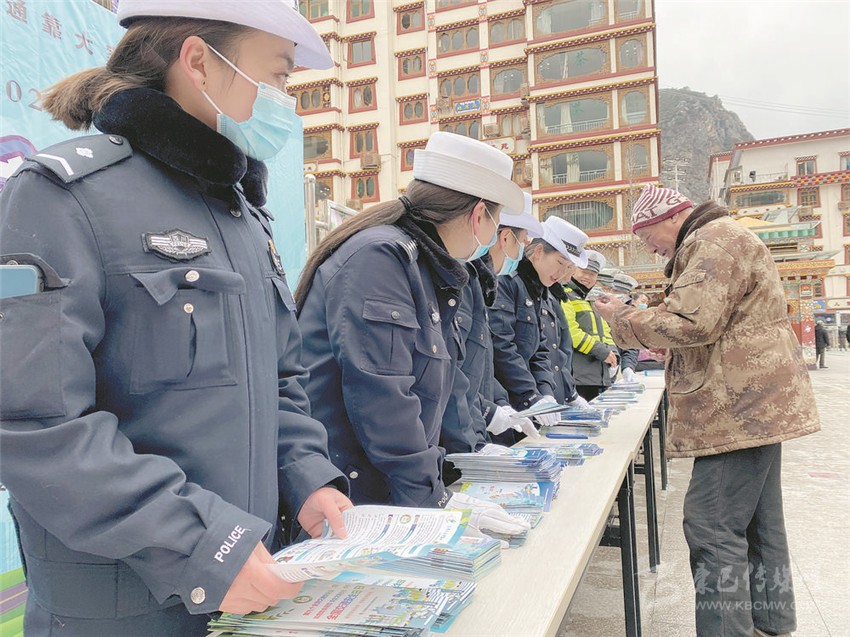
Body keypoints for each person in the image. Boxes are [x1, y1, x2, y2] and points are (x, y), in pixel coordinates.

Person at [0, 2, 356, 634]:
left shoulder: (241, 216)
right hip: (117, 612)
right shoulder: (61, 196)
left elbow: (278, 380)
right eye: (278, 75)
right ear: (199, 62)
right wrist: (201, 545)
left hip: (245, 588)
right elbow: (32, 421)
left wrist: (307, 477)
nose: (285, 100)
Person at [595, 184, 820, 637]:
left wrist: (622, 316)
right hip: (754, 401)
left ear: (670, 218)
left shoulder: (711, 241)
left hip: (737, 406)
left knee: (711, 525)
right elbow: (717, 325)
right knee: (758, 520)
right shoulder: (720, 237)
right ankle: (770, 621)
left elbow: (692, 322)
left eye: (648, 236)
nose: (651, 248)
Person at [294, 132, 529, 538]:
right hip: (346, 498)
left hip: (383, 492)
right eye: (496, 222)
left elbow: (445, 380)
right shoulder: (382, 257)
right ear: (479, 216)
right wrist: (433, 500)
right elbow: (382, 395)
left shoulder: (424, 267)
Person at [440, 193, 543, 461]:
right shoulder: (462, 281)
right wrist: (479, 431)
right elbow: (450, 371)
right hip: (455, 443)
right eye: (523, 242)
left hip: (472, 428)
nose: (521, 253)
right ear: (505, 238)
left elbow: (482, 364)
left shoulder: (478, 281)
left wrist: (499, 404)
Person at [490, 215, 591, 428]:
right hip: (507, 403)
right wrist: (531, 396)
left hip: (531, 401)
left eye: (569, 267)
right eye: (560, 263)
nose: (562, 273)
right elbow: (502, 346)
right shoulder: (508, 281)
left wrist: (545, 393)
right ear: (537, 252)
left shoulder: (540, 290)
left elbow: (542, 349)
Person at [562, 251, 620, 400]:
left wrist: (614, 353)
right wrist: (602, 351)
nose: (588, 277)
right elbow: (571, 331)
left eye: (593, 274)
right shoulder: (564, 294)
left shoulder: (591, 300)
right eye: (584, 271)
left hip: (598, 376)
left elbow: (605, 331)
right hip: (577, 377)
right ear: (573, 269)